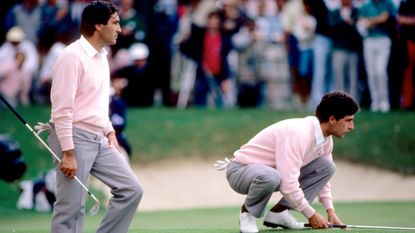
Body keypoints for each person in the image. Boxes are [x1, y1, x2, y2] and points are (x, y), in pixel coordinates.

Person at [46, 1, 143, 232]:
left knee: (131, 189)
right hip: (73, 138)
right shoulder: (71, 56)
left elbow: (98, 103)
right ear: (99, 26)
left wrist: (109, 130)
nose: (119, 29)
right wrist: (68, 153)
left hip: (99, 137)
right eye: (115, 23)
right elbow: (62, 110)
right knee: (71, 208)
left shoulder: (102, 56)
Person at [215, 90, 359, 233]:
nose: (351, 127)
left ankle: (279, 213)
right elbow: (288, 185)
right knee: (272, 177)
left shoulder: (326, 139)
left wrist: (330, 210)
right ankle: (247, 213)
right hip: (240, 170)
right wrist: (311, 214)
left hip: (271, 174)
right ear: (332, 119)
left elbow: (323, 178)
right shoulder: (299, 135)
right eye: (348, 120)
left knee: (327, 166)